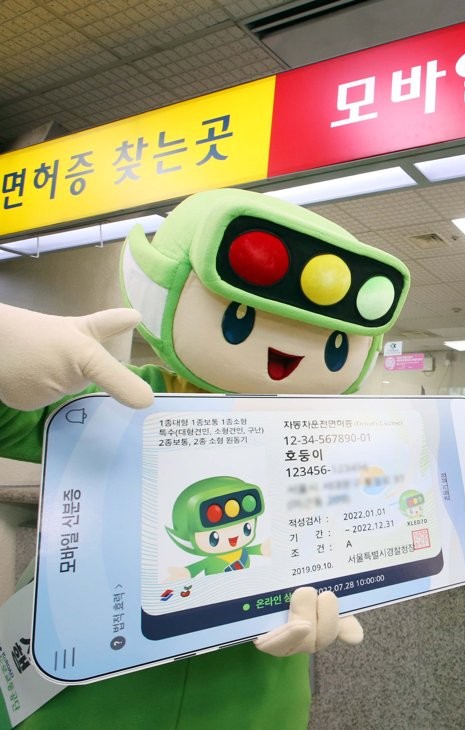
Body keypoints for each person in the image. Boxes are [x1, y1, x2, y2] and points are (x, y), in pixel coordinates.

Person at [0, 188, 410, 728]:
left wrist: (337, 590)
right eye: (239, 318)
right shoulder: (117, 400)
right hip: (85, 681)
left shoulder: (323, 438)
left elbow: (333, 536)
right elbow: (12, 421)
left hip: (253, 687)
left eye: (336, 345)